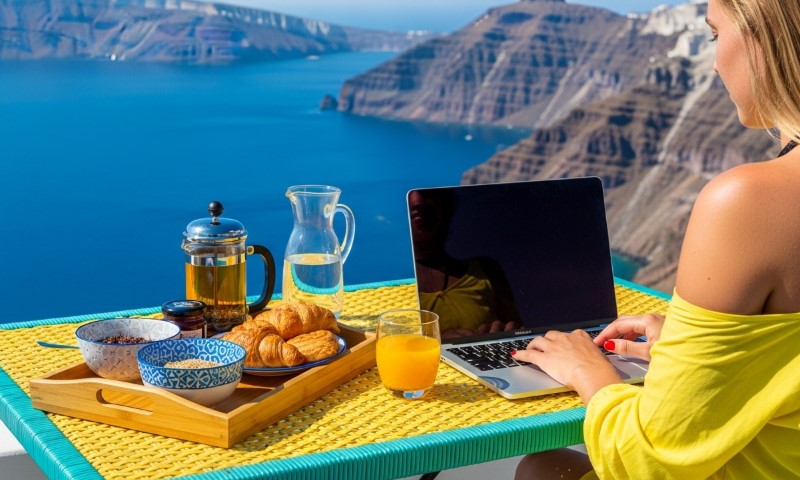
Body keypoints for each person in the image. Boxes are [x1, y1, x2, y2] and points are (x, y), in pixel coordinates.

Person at [512, 0, 800, 478]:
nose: (712, 60)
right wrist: (695, 354)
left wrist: (587, 370)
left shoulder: (750, 200)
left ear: (764, 35)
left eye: (714, 34)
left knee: (540, 467)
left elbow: (648, 461)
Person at [409, 188, 522, 338]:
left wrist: (508, 332)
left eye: (429, 193)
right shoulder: (384, 287)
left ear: (445, 206)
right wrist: (436, 342)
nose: (417, 201)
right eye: (406, 195)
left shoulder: (485, 271)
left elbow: (519, 330)